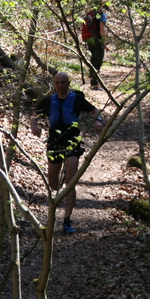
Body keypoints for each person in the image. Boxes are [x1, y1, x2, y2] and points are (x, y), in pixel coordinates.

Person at [30, 72, 104, 234]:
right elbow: (34, 115)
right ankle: (56, 205)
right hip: (55, 143)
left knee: (70, 182)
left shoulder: (76, 99)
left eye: (63, 82)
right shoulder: (49, 100)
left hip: (72, 143)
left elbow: (95, 110)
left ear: (68, 83)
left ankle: (67, 219)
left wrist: (98, 120)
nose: (60, 85)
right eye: (58, 83)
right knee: (53, 184)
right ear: (54, 84)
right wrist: (34, 126)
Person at [83, 5, 108, 89]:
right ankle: (94, 82)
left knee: (93, 59)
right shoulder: (102, 15)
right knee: (98, 60)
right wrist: (104, 43)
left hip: (90, 39)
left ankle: (92, 81)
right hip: (97, 40)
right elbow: (102, 30)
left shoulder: (90, 14)